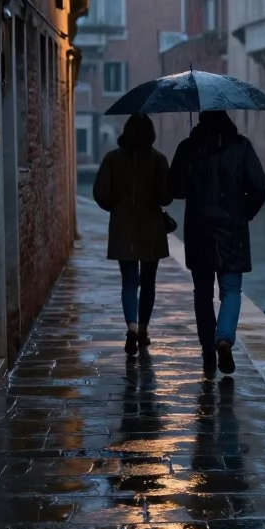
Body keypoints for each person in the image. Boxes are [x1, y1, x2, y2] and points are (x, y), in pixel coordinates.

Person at [168, 110, 265, 375]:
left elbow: (174, 190)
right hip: (232, 230)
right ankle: (223, 338)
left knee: (202, 294)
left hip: (198, 230)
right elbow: (260, 186)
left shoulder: (189, 148)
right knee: (231, 290)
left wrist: (187, 162)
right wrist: (245, 211)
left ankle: (207, 351)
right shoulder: (242, 146)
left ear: (200, 119)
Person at [92, 113, 172, 356]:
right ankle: (144, 330)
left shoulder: (111, 159)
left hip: (122, 227)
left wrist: (116, 207)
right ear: (151, 134)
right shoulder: (159, 159)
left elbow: (100, 193)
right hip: (152, 229)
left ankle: (132, 327)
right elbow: (167, 196)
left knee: (129, 281)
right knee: (148, 282)